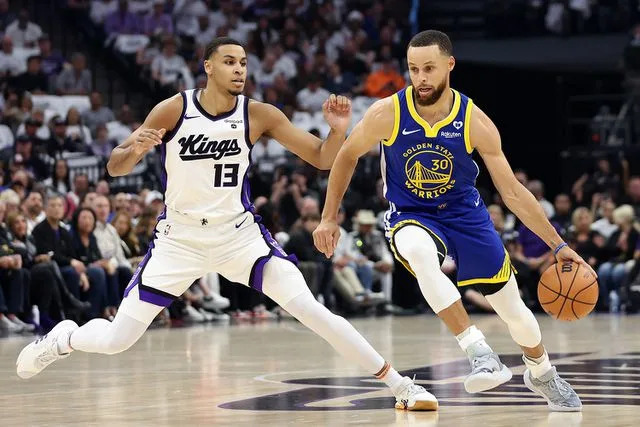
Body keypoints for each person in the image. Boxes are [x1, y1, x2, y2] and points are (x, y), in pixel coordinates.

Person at [16, 37, 436, 411]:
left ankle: (401, 385)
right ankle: (62, 339)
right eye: (231, 62)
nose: (240, 69)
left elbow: (323, 158)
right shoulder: (174, 108)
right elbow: (114, 166)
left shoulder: (258, 114)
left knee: (312, 310)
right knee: (116, 340)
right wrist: (136, 149)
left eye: (244, 63)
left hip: (239, 235)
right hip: (179, 239)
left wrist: (338, 131)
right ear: (209, 67)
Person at [314, 30, 594, 412]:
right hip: (411, 214)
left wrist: (559, 246)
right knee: (418, 251)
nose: (421, 78)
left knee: (517, 314)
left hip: (466, 215)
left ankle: (541, 371)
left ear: (450, 65)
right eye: (413, 69)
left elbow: (512, 192)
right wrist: (329, 217)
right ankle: (478, 351)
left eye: (429, 68)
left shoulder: (473, 119)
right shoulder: (387, 113)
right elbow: (346, 156)